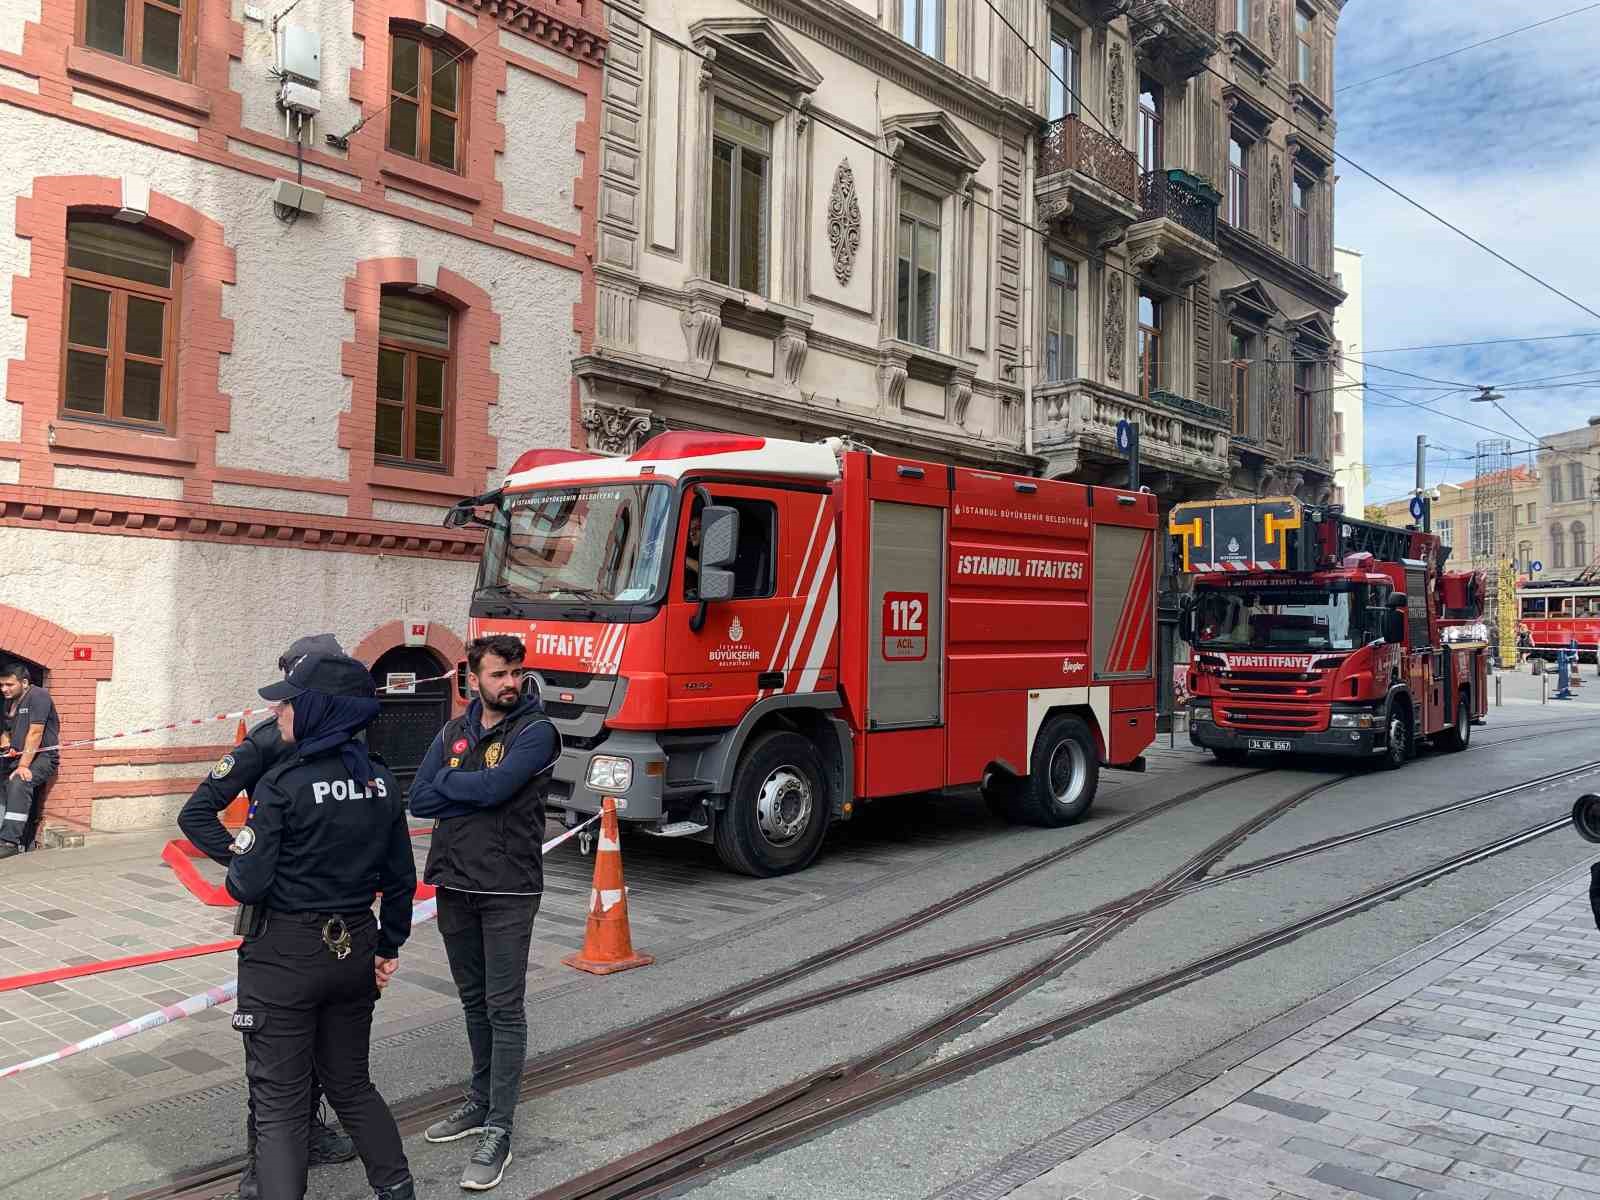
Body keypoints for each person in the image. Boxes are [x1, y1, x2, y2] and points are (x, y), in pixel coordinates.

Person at [227, 649, 418, 1200]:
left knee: (280, 1105)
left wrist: (242, 853)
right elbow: (402, 877)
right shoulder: (380, 781)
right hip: (354, 944)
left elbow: (247, 885)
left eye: (289, 704)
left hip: (284, 954)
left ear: (320, 711)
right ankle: (396, 1189)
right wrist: (388, 945)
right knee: (351, 1083)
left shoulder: (282, 784)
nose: (279, 714)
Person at [177, 635, 357, 1197]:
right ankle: (262, 1169)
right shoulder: (264, 742)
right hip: (273, 919)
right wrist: (243, 857)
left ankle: (308, 1128)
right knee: (273, 1049)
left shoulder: (342, 736)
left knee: (321, 1039)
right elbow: (197, 811)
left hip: (331, 920)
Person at [408, 634, 559, 1191]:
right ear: (473, 677)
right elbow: (417, 799)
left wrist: (451, 785)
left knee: (504, 1006)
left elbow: (498, 787)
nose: (510, 683)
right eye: (498, 674)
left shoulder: (537, 731)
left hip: (509, 889)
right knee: (473, 1002)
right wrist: (461, 786)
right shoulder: (453, 731)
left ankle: (500, 1126)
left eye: (516, 673)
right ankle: (478, 1100)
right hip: (455, 883)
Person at [0, 661, 59, 858]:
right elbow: (7, 731)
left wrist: (23, 766)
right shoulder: (9, 701)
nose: (4, 689)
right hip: (19, 754)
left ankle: (10, 842)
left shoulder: (39, 696)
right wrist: (6, 746)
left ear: (24, 682)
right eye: (1, 685)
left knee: (19, 781)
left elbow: (35, 732)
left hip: (42, 756)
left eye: (9, 685)